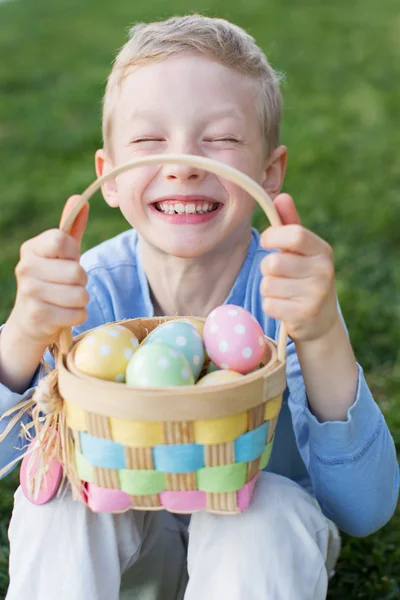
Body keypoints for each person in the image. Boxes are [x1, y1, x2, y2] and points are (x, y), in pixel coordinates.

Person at [0, 14, 398, 600]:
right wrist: (24, 333)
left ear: (268, 173)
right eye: (148, 140)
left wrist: (321, 334)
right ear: (109, 179)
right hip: (130, 528)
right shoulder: (87, 294)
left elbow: (364, 509)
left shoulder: (282, 299)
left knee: (267, 515)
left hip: (259, 539)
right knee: (60, 501)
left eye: (221, 139)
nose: (184, 163)